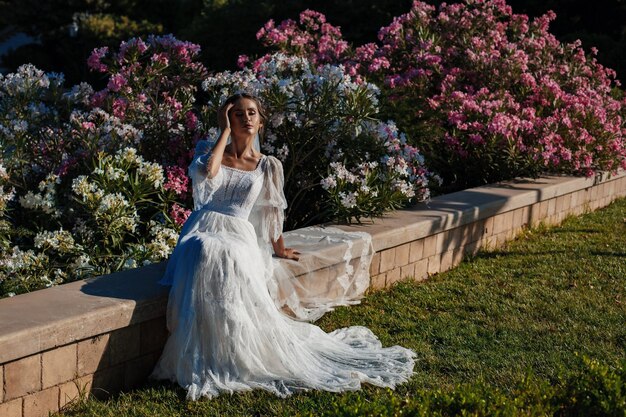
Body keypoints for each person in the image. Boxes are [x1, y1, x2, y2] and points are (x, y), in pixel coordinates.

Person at [151, 93, 416, 400]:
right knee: (205, 248)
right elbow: (208, 175)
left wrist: (280, 246)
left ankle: (232, 349)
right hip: (203, 228)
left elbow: (273, 211)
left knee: (222, 253)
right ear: (228, 119)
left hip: (238, 233)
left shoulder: (268, 166)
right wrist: (222, 129)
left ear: (260, 122)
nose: (246, 118)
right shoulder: (211, 154)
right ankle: (203, 351)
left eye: (251, 113)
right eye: (237, 114)